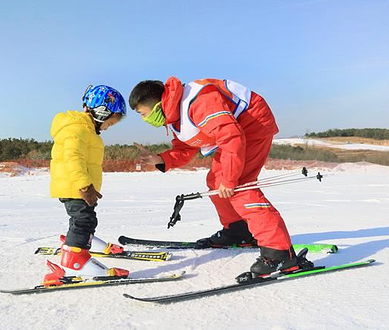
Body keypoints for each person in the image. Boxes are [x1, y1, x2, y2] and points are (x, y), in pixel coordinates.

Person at [129, 77, 313, 276]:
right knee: (216, 183)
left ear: (156, 104)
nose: (144, 119)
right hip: (236, 134)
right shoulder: (174, 115)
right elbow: (185, 147)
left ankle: (280, 253)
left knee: (240, 187)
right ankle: (238, 231)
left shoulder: (199, 101)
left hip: (253, 124)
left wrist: (231, 178)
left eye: (143, 114)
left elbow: (231, 136)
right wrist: (159, 159)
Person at [43, 85, 129, 286]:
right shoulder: (77, 129)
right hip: (75, 186)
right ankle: (74, 261)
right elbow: (73, 157)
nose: (108, 127)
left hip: (77, 186)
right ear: (101, 112)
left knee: (84, 220)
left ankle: (77, 245)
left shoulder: (85, 130)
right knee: (83, 220)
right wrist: (84, 185)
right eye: (110, 122)